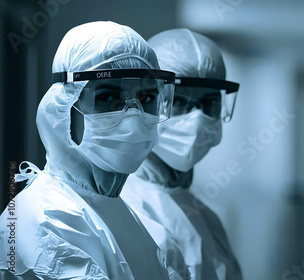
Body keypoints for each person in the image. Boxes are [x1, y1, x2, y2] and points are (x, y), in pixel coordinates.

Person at [0, 21, 189, 279]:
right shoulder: (47, 220)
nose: (133, 118)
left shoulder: (115, 209)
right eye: (107, 97)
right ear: (65, 107)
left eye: (146, 99)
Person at [120, 28, 242, 279]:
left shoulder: (206, 218)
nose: (196, 119)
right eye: (179, 101)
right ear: (143, 103)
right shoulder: (124, 209)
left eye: (208, 103)